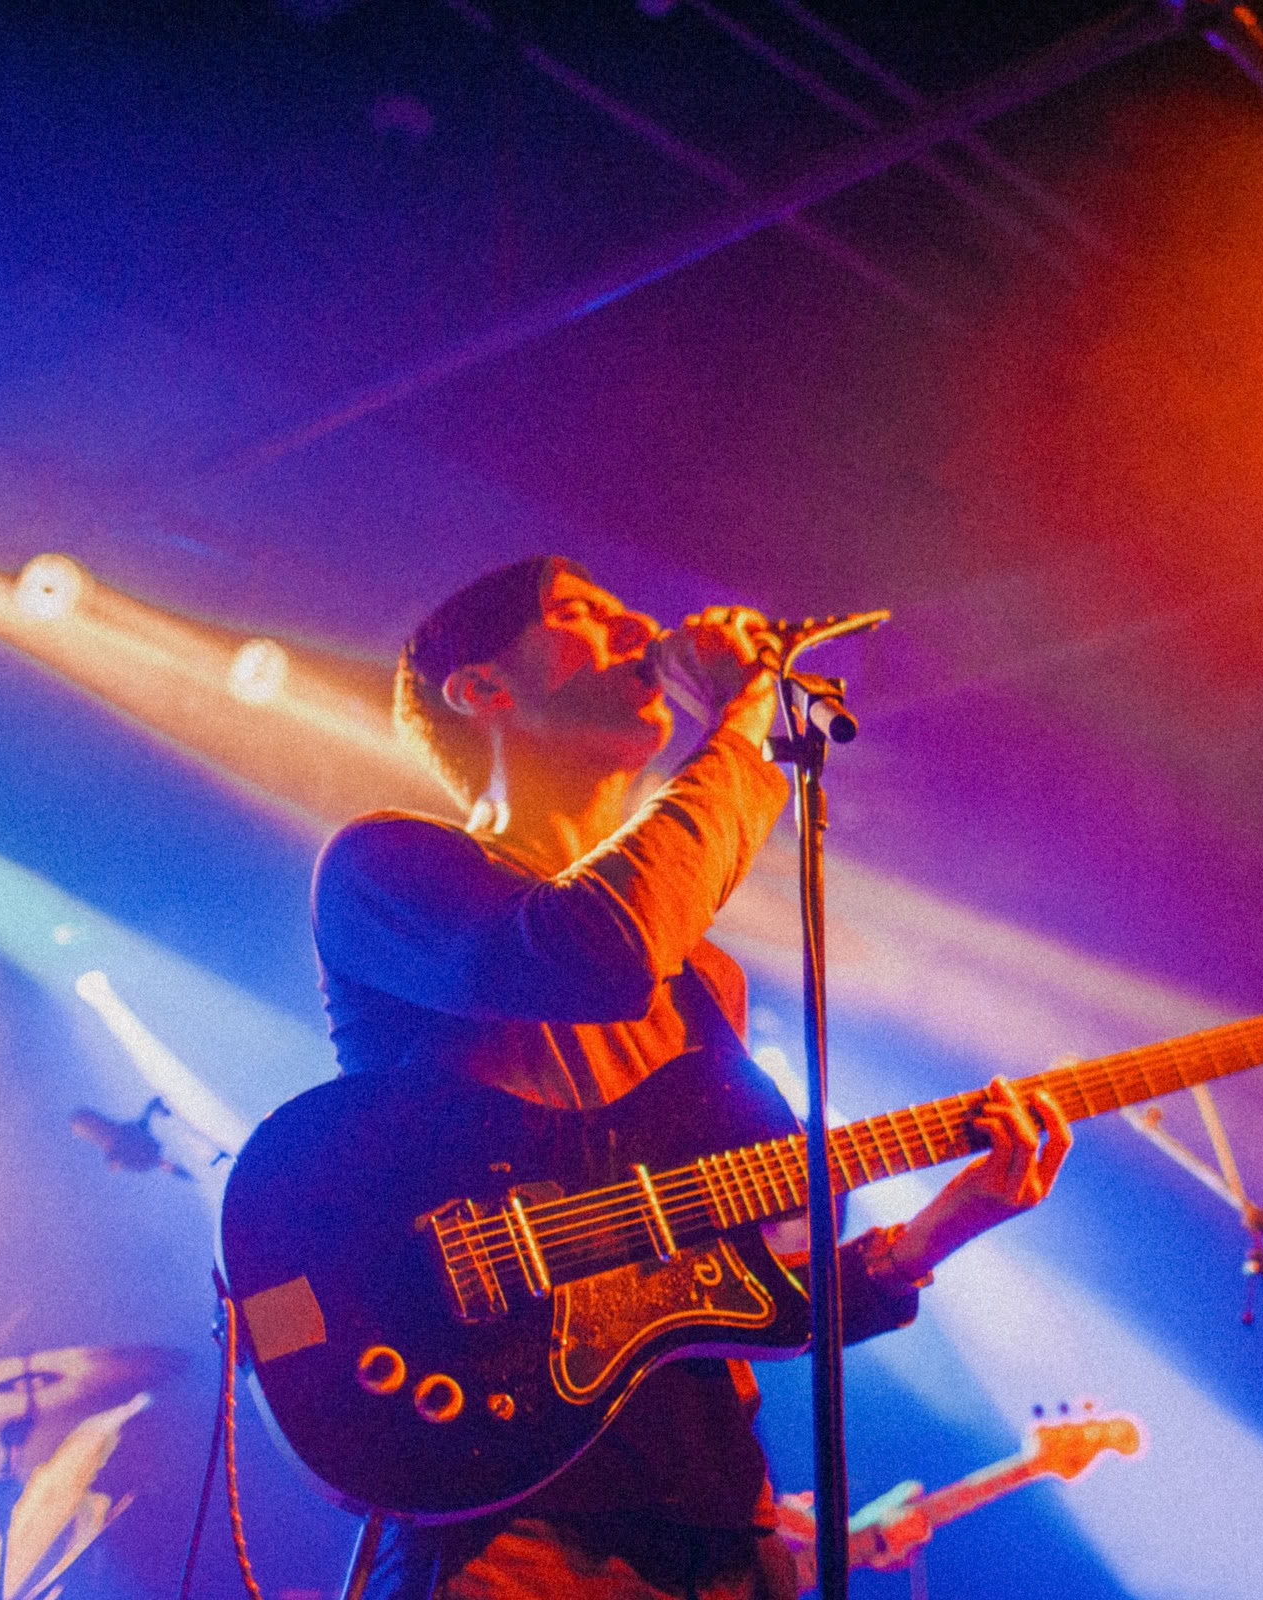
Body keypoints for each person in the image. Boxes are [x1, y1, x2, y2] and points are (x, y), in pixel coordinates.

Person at [311, 556, 1072, 1600]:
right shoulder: (388, 869)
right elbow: (598, 948)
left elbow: (725, 1297)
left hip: (718, 1532)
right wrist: (747, 715)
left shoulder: (705, 980)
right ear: (481, 689)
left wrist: (938, 1229)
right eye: (581, 612)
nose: (635, 622)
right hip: (514, 1531)